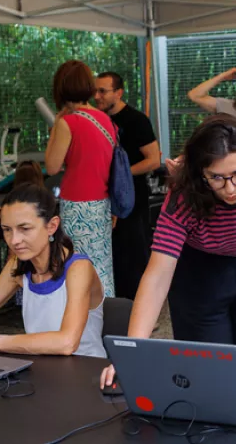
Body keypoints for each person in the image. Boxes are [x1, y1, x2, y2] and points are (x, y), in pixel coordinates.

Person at [100, 115, 236, 387]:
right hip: (200, 273)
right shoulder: (183, 195)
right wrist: (131, 351)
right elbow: (157, 275)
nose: (230, 189)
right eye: (216, 177)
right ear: (200, 173)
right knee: (208, 370)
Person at [0, 184, 106, 357]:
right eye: (7, 230)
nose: (14, 240)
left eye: (25, 228)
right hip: (42, 372)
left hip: (87, 374)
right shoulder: (17, 265)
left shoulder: (79, 269)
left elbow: (67, 342)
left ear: (52, 226)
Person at [45, 60, 115, 297]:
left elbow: (52, 166)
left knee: (77, 266)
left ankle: (81, 322)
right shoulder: (105, 119)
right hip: (102, 203)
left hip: (77, 205)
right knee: (101, 266)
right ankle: (106, 314)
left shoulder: (68, 122)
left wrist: (56, 124)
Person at [94, 71, 161, 300]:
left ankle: (140, 308)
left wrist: (122, 175)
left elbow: (154, 160)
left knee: (133, 254)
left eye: (103, 91)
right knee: (114, 255)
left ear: (119, 92)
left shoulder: (136, 120)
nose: (97, 96)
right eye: (95, 91)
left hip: (132, 198)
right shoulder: (96, 119)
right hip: (104, 198)